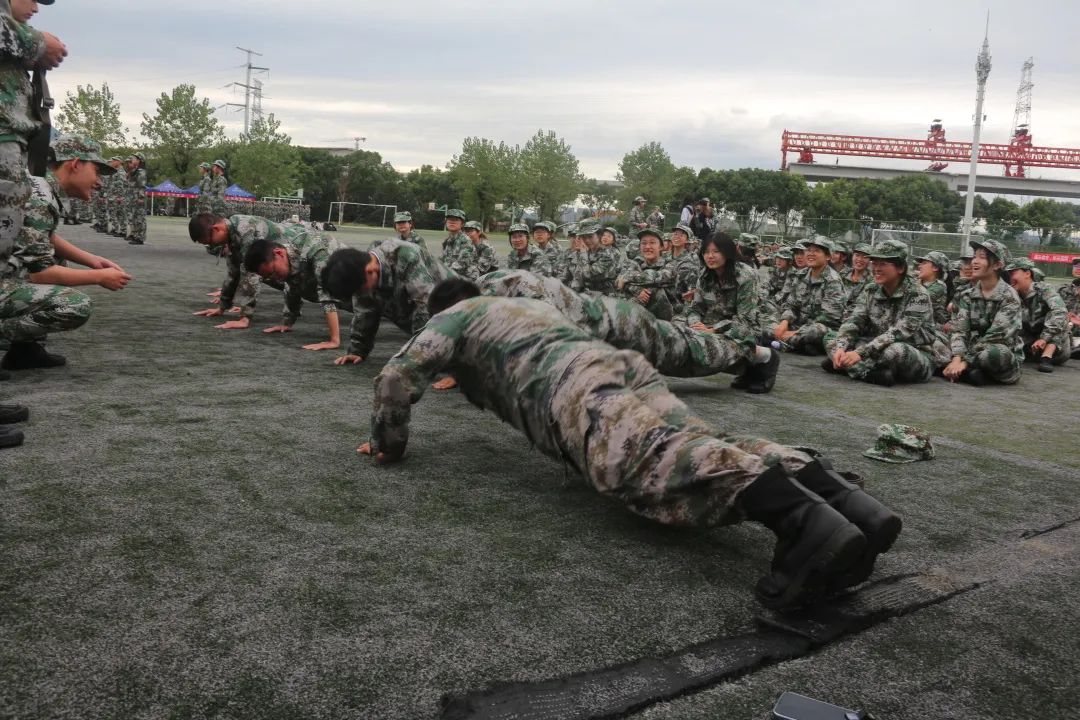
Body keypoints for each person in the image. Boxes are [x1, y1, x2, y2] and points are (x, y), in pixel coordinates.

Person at [359, 279, 902, 610]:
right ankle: (838, 497)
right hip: (618, 365)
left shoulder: (454, 316)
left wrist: (389, 441)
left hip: (573, 385)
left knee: (651, 462)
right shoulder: (521, 305)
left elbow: (394, 379)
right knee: (700, 439)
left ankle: (805, 525)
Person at [478, 269, 779, 389]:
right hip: (606, 327)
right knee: (685, 352)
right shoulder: (490, 294)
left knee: (687, 353)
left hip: (622, 327)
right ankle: (747, 365)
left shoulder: (508, 287)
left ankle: (761, 355)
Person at [1, 135, 130, 371]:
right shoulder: (40, 197)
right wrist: (99, 277)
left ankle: (24, 351)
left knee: (56, 258)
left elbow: (39, 236)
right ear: (75, 164)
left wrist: (92, 260)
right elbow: (40, 273)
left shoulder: (37, 186)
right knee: (75, 305)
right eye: (96, 171)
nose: (99, 182)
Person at [823, 240, 949, 386]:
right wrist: (841, 347)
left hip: (914, 352)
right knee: (831, 337)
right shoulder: (871, 289)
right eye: (874, 263)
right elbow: (855, 319)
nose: (876, 269)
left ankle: (850, 367)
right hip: (875, 345)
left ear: (900, 268)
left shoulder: (918, 294)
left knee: (895, 351)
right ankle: (868, 372)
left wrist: (860, 353)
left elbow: (899, 333)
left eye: (882, 264)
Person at [319, 239, 454, 367]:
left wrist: (418, 356)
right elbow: (365, 311)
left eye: (361, 289)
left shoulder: (406, 256)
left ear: (370, 271)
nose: (362, 293)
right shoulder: (361, 267)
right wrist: (357, 350)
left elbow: (426, 308)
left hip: (457, 315)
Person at [188, 213, 302, 329]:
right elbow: (233, 272)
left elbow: (251, 275)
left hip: (300, 252)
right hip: (289, 260)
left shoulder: (246, 229)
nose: (212, 245)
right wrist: (222, 307)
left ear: (216, 229)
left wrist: (245, 318)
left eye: (210, 241)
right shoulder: (232, 234)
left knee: (273, 275)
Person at [243, 231, 352, 351]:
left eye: (273, 272)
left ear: (279, 253)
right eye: (268, 276)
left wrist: (334, 340)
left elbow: (327, 293)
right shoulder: (288, 261)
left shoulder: (316, 249)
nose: (274, 278)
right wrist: (287, 323)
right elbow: (292, 288)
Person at [942, 240, 1023, 386]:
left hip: (994, 350)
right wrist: (957, 357)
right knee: (938, 342)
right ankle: (969, 373)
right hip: (970, 349)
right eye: (975, 256)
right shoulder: (968, 294)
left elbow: (995, 337)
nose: (974, 261)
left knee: (995, 354)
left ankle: (964, 371)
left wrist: (965, 362)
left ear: (997, 265)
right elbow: (960, 330)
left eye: (982, 257)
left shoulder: (1009, 297)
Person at [772, 238, 847, 355]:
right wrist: (784, 322)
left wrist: (797, 332)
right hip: (799, 324)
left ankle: (785, 342)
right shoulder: (800, 275)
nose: (810, 254)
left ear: (828, 256)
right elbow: (791, 304)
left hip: (821, 328)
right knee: (770, 321)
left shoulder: (833, 281)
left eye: (816, 251)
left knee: (816, 331)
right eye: (808, 250)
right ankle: (793, 343)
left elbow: (830, 318)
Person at [1004, 257, 1069, 372]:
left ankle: (1046, 357)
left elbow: (1060, 312)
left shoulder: (1044, 289)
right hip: (1031, 344)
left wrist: (1044, 338)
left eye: (1013, 273)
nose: (1010, 278)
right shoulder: (1012, 295)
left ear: (1027, 273)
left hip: (1055, 348)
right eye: (1008, 275)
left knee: (1059, 317)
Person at [616, 228, 674, 320]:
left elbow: (654, 277)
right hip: (640, 313)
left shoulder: (670, 264)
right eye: (644, 243)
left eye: (652, 243)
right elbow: (618, 282)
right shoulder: (636, 262)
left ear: (661, 247)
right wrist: (636, 289)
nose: (647, 246)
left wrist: (627, 278)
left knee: (654, 289)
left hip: (666, 316)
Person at [569, 222, 620, 295]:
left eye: (590, 236)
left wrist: (583, 254)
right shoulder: (586, 251)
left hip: (603, 295)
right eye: (584, 237)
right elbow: (576, 276)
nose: (587, 240)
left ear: (599, 236)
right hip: (584, 293)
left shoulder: (608, 254)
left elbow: (587, 275)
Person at [914, 251, 951, 331]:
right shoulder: (918, 282)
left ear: (935, 268)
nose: (919, 266)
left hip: (930, 330)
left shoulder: (939, 286)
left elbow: (915, 302)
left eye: (924, 263)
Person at [440, 208, 476, 280]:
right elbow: (443, 260)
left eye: (456, 220)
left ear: (462, 224)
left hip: (466, 278)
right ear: (446, 222)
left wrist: (443, 272)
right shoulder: (447, 241)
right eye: (449, 219)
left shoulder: (465, 240)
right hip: (450, 275)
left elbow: (462, 263)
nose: (452, 222)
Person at [841, 242, 873, 309]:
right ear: (852, 256)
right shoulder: (842, 274)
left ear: (870, 260)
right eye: (857, 255)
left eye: (864, 257)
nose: (859, 259)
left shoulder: (872, 281)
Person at [124, 152, 147, 245]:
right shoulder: (134, 171)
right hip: (133, 197)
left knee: (140, 218)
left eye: (134, 158)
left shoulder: (141, 172)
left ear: (139, 160)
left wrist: (141, 197)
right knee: (134, 217)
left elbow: (142, 186)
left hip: (138, 197)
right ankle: (135, 235)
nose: (132, 159)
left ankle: (140, 237)